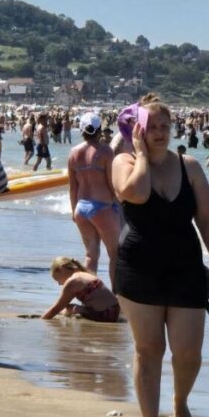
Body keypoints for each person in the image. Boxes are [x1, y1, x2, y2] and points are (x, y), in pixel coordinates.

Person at [111, 94, 209, 417]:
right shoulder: (124, 162)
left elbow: (206, 219)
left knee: (188, 351)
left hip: (186, 268)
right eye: (152, 127)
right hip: (138, 269)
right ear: (138, 130)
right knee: (149, 350)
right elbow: (134, 193)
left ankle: (180, 400)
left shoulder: (189, 165)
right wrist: (143, 156)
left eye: (165, 126)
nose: (160, 132)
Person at [67, 112, 120, 288]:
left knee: (91, 255)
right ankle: (116, 297)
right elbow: (111, 182)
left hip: (81, 207)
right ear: (99, 129)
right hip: (102, 207)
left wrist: (73, 210)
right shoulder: (105, 151)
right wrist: (118, 200)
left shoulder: (74, 153)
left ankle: (90, 295)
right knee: (115, 254)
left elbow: (72, 186)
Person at [42, 256, 120, 323]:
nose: (59, 284)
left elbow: (58, 307)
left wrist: (43, 319)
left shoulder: (72, 281)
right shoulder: (84, 275)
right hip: (115, 311)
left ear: (61, 269)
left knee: (70, 308)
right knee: (72, 308)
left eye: (56, 279)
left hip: (106, 315)